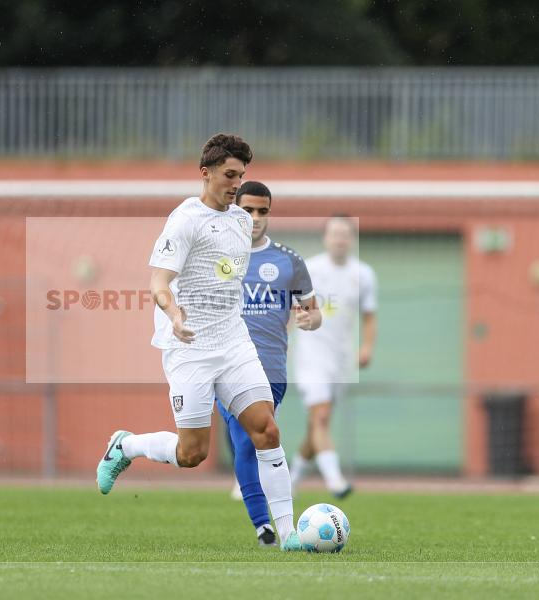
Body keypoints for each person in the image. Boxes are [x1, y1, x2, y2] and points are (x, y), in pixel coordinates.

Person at [95, 134, 303, 551]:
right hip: (189, 346)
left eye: (241, 176)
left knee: (267, 430)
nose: (236, 184)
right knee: (193, 454)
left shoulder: (242, 222)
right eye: (229, 175)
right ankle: (127, 445)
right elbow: (158, 282)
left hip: (234, 341)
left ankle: (289, 535)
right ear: (205, 173)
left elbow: (227, 275)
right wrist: (174, 315)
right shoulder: (184, 220)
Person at [216, 181, 321, 546]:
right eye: (248, 210)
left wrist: (310, 319)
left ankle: (130, 446)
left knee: (253, 442)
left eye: (263, 211)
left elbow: (313, 310)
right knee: (247, 443)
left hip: (272, 370)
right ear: (235, 210)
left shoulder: (289, 261)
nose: (255, 218)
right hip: (227, 366)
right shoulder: (217, 258)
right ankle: (266, 528)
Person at [290, 215, 377, 498]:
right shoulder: (310, 269)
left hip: (341, 361)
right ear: (325, 238)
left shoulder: (363, 274)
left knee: (317, 425)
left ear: (352, 239)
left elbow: (369, 316)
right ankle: (336, 480)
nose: (339, 239)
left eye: (345, 234)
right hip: (311, 358)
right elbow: (290, 311)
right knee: (322, 416)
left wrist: (366, 347)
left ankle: (290, 480)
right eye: (334, 234)